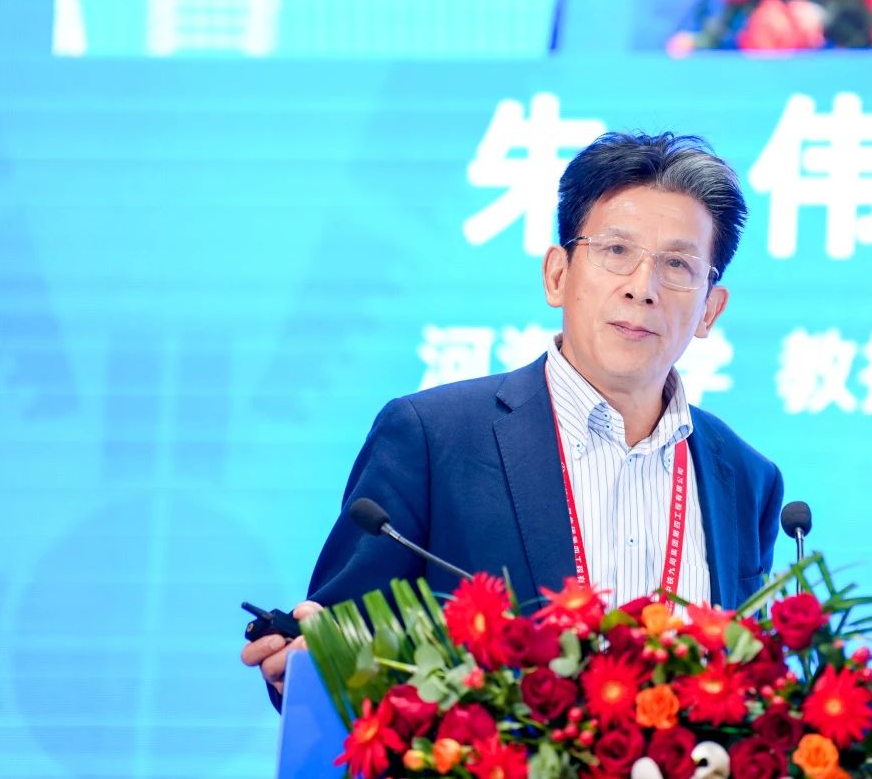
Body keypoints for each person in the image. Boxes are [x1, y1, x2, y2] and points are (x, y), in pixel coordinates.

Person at [242, 131, 785, 699]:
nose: (641, 288)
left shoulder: (747, 480)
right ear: (557, 275)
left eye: (677, 264)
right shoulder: (432, 439)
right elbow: (336, 657)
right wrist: (309, 666)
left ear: (710, 309)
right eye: (616, 251)